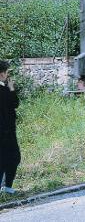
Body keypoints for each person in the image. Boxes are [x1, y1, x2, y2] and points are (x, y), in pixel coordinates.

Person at [0, 60, 20, 195]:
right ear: (2, 74)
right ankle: (7, 187)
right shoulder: (4, 91)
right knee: (14, 157)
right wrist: (12, 88)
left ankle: (6, 187)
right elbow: (15, 103)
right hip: (6, 132)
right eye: (6, 73)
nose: (7, 76)